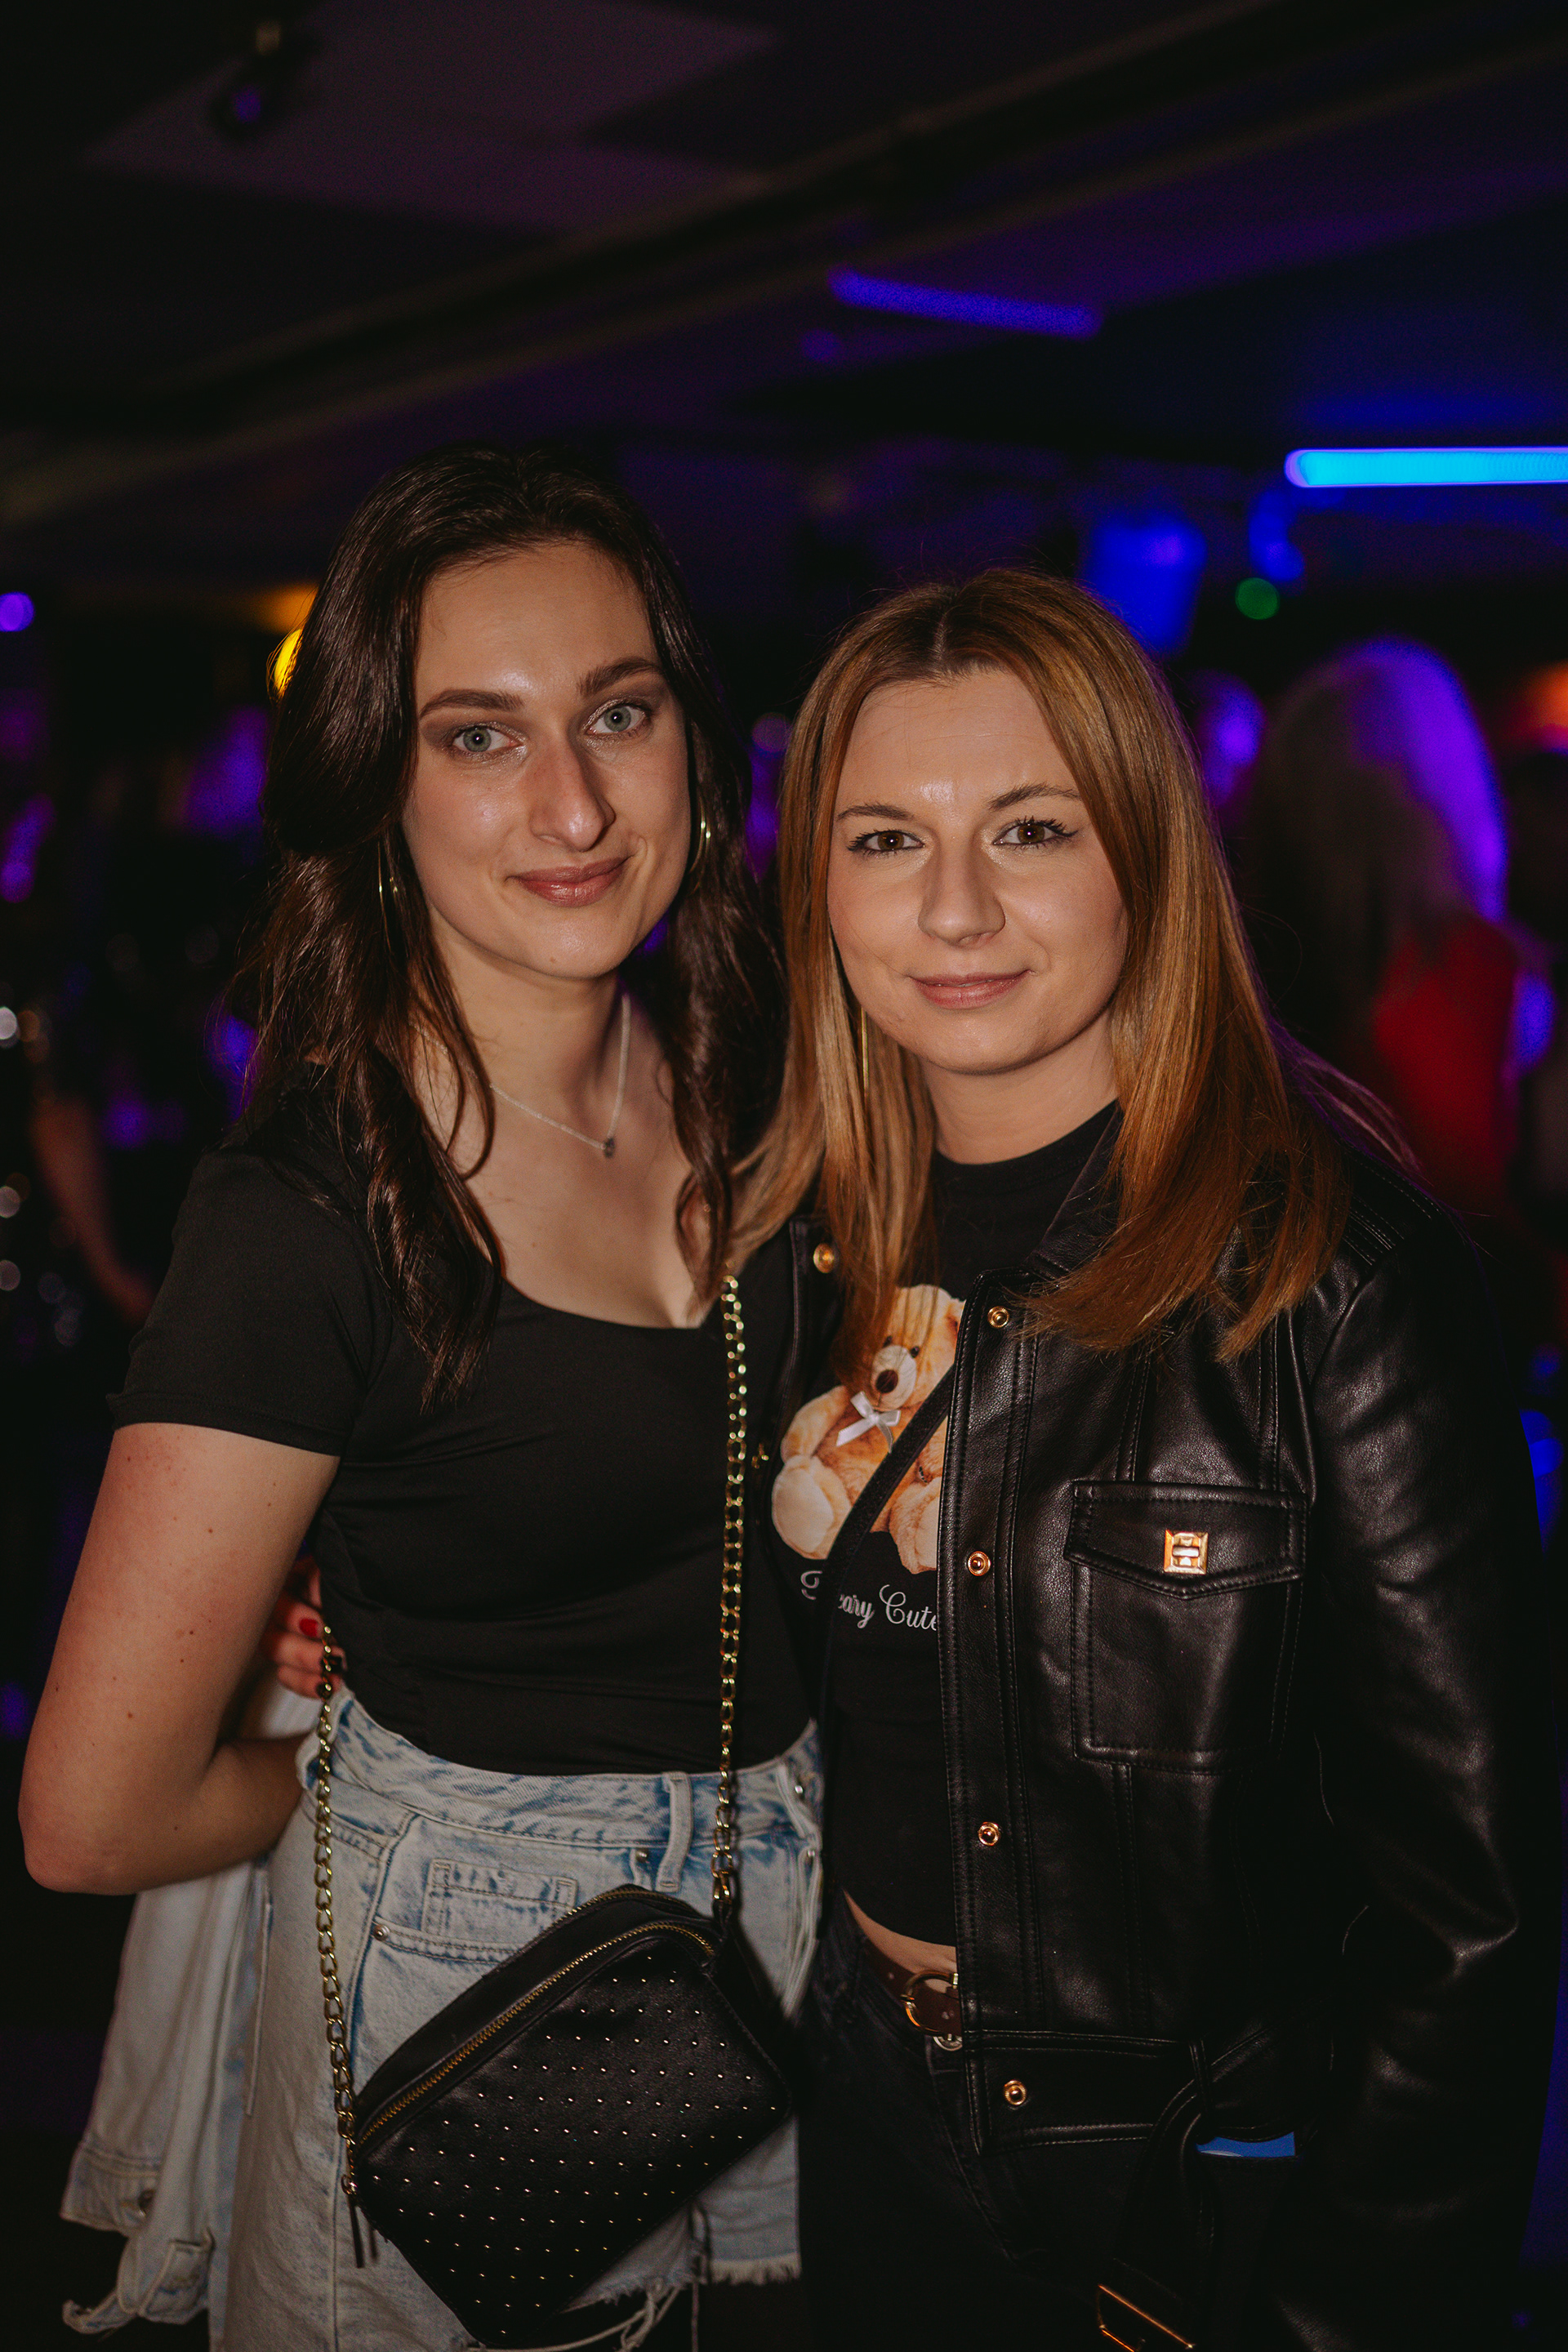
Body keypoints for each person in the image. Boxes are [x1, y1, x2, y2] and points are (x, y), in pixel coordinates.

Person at [20, 442, 820, 2352]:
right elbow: (92, 1817)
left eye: (619, 712)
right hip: (463, 2016)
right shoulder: (308, 1210)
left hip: (773, 1969)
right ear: (376, 785)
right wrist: (354, 1758)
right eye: (479, 735)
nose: (573, 801)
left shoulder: (770, 1087)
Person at [738, 572, 1561, 2349]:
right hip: (840, 2120)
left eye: (1030, 828)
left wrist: (1344, 2315)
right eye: (886, 838)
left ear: (1148, 855)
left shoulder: (1336, 1283)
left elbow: (1471, 1923)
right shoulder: (791, 1250)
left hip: (1177, 2187)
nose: (954, 906)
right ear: (818, 884)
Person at [1244, 639, 1564, 1366]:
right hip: (1450, 1341)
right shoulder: (1469, 965)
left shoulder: (1246, 967)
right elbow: (1469, 1196)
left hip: (1293, 1340)